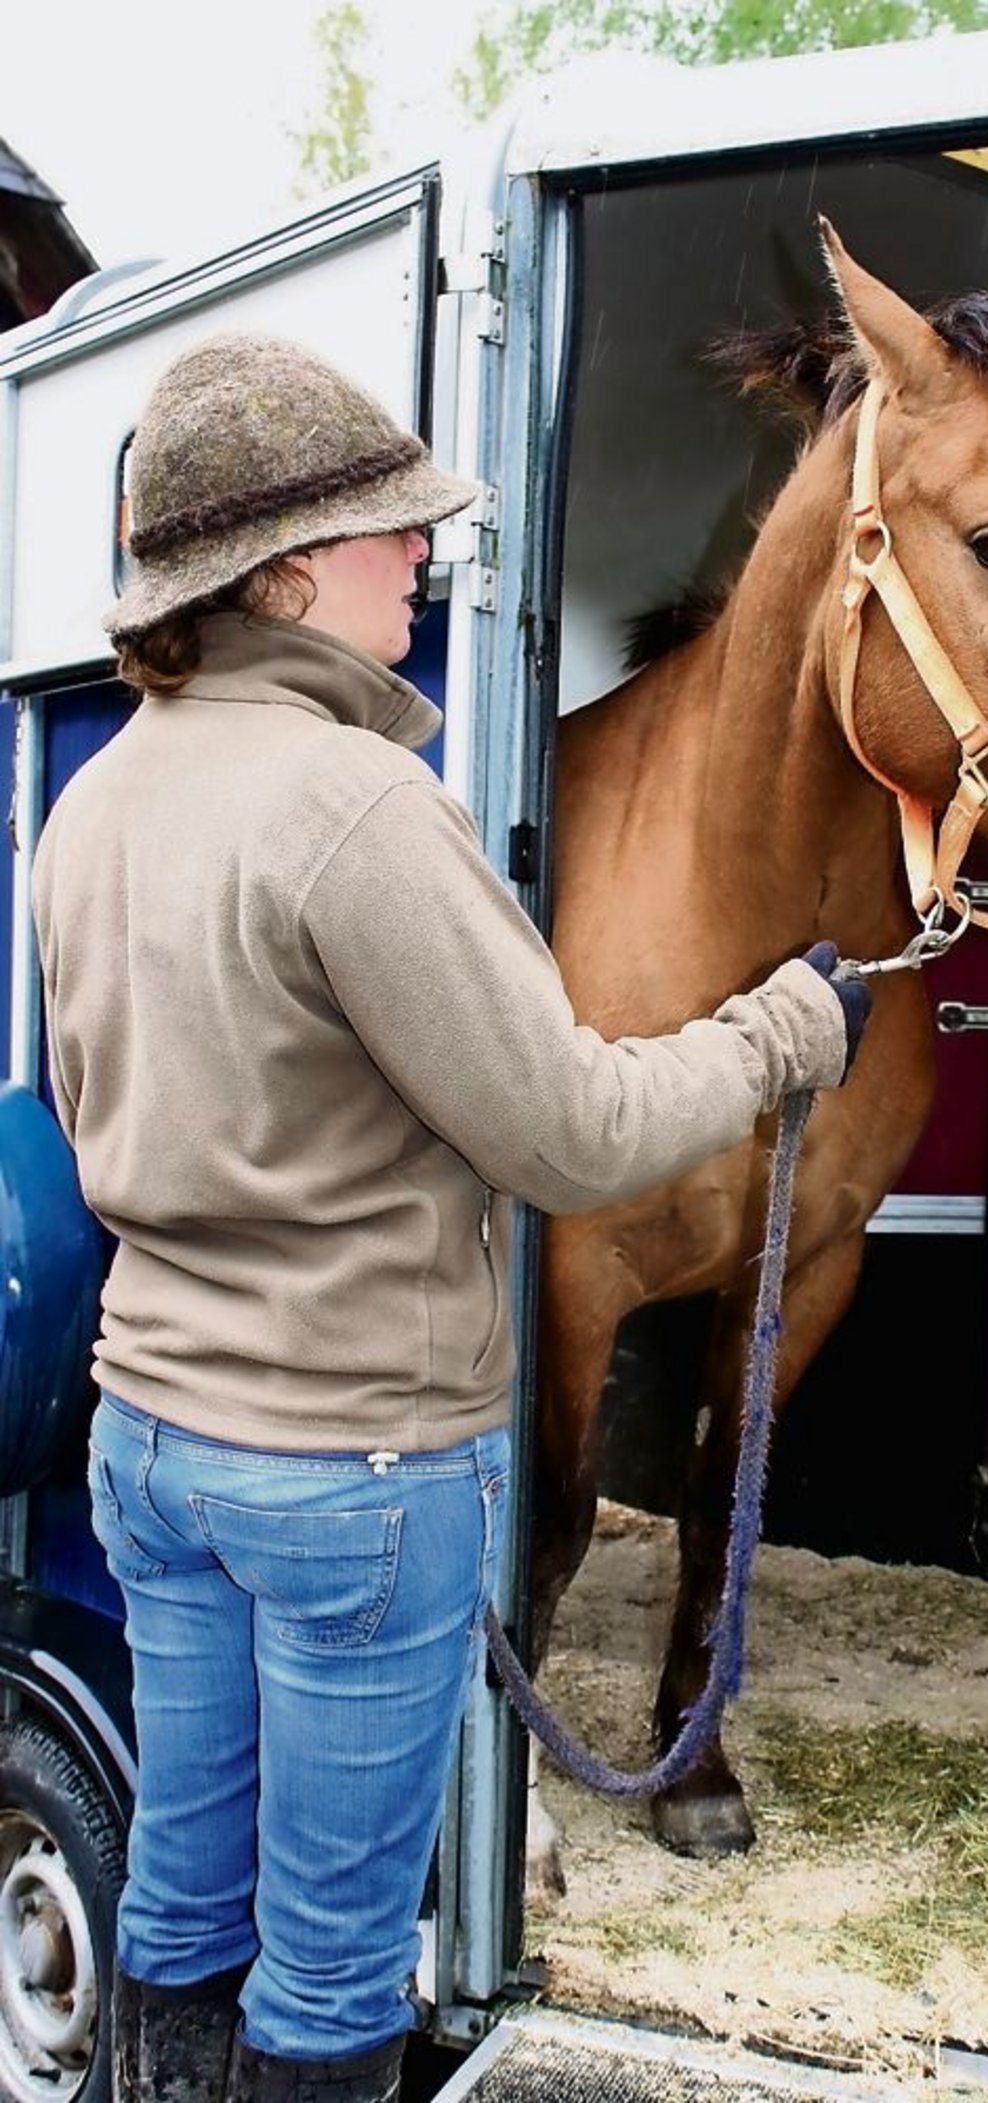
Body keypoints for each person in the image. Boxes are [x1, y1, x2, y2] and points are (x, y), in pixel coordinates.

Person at [30, 331, 870, 2103]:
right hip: (350, 1466)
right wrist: (782, 1032)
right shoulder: (359, 806)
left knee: (183, 1895)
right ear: (283, 569)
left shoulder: (93, 803)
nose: (424, 550)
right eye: (390, 527)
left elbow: (101, 1117)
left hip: (150, 1439)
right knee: (335, 1962)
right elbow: (571, 1135)